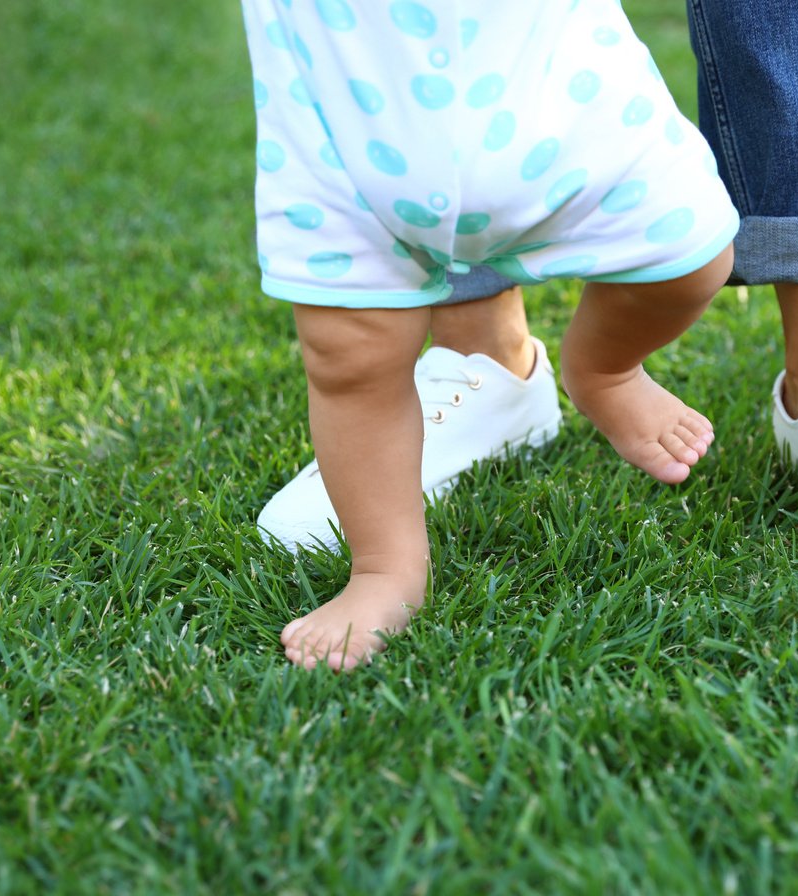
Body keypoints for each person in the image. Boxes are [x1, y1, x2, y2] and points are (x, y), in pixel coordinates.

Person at [259, 0, 798, 617]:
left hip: (556, 85)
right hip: (339, 121)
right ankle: (441, 455)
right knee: (349, 351)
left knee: (689, 255)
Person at [242, 0, 740, 669]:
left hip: (564, 100)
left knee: (693, 255)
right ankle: (386, 569)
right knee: (349, 360)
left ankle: (604, 370)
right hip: (346, 138)